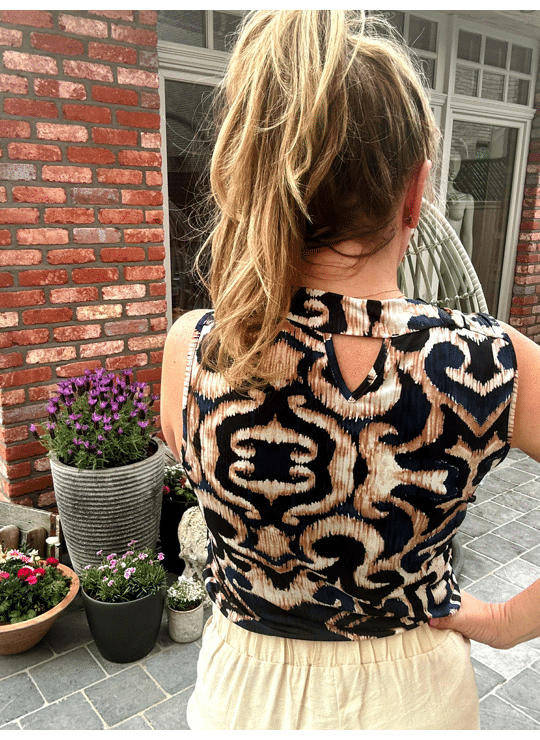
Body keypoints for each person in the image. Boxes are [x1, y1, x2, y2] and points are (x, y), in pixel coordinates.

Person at [161, 10, 540, 731]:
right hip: (418, 694)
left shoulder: (197, 352)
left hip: (244, 696)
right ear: (415, 193)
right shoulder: (493, 362)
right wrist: (501, 624)